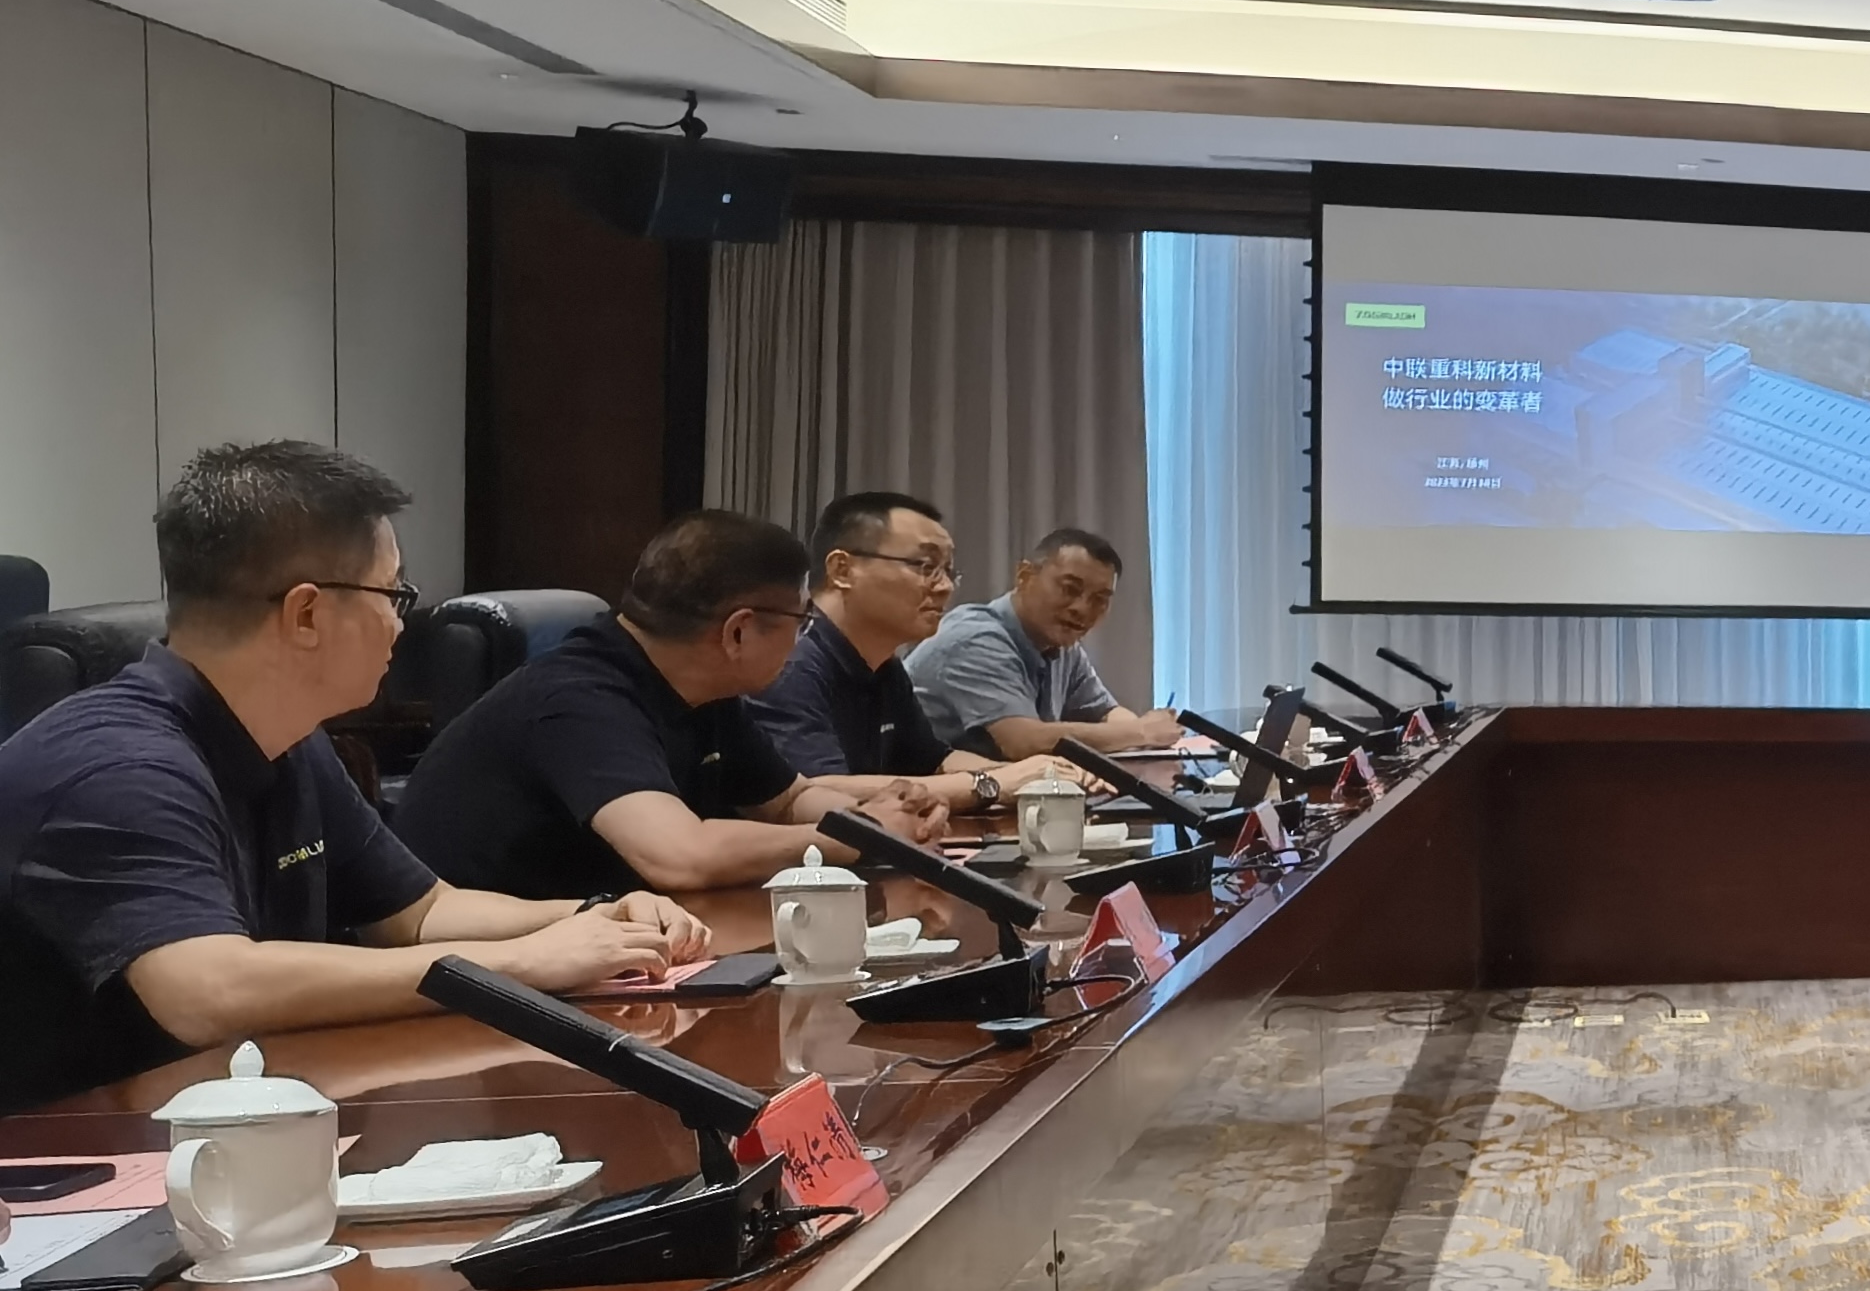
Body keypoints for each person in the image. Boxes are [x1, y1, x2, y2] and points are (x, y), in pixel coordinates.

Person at [0, 443, 707, 1112]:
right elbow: (206, 991)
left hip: (226, 1115)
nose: (401, 624)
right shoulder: (120, 766)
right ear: (307, 612)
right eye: (392, 594)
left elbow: (420, 914)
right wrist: (522, 963)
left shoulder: (287, 738)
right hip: (67, 1153)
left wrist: (594, 917)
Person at [399, 511, 942, 901]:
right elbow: (680, 856)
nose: (803, 640)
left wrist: (885, 814)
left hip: (603, 945)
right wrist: (857, 836)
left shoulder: (704, 691)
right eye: (802, 622)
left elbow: (786, 800)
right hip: (480, 976)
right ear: (738, 631)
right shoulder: (579, 697)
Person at [748, 491, 1074, 816]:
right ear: (842, 570)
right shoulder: (790, 659)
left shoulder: (884, 665)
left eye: (948, 571)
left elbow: (932, 760)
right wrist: (991, 784)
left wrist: (1037, 776)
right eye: (926, 566)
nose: (945, 587)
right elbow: (811, 791)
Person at [908, 527, 1187, 762]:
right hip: (921, 798)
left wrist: (1146, 735)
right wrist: (1141, 732)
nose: (1082, 608)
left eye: (1100, 599)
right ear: (1024, 576)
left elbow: (1104, 713)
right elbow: (1023, 742)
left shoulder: (1061, 643)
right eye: (1070, 589)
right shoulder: (975, 638)